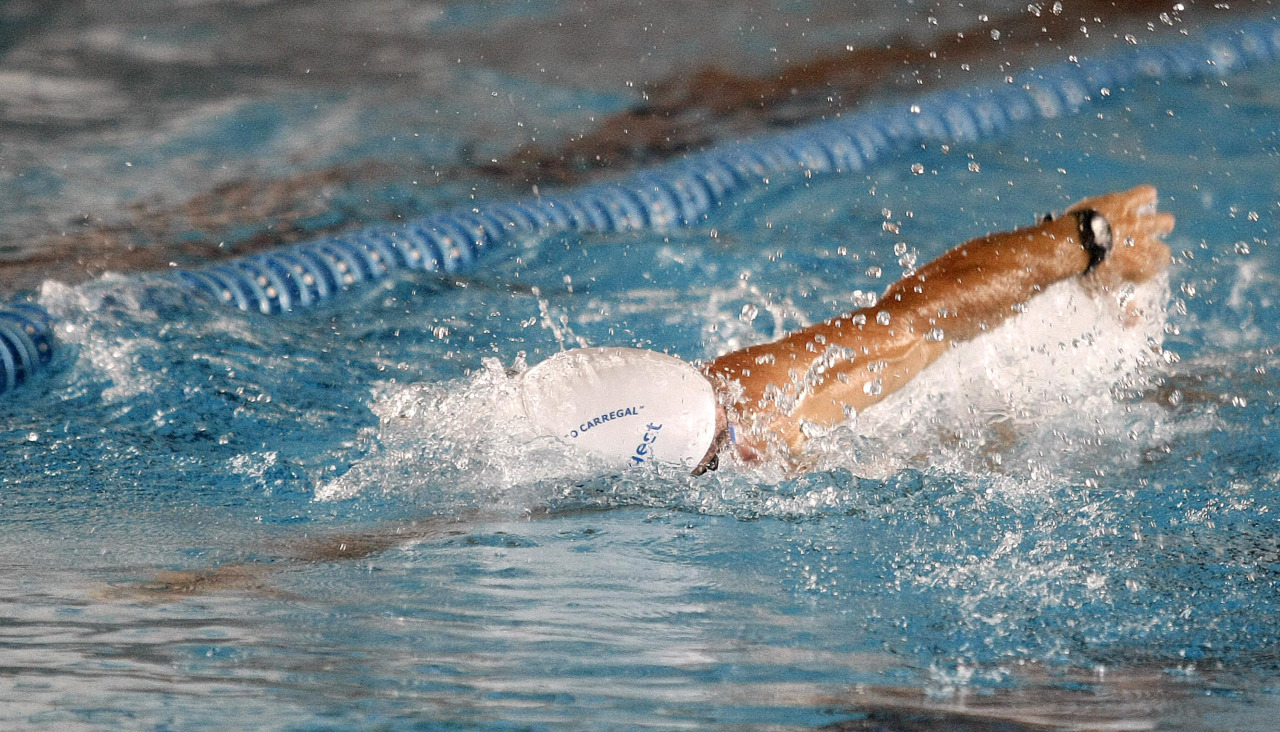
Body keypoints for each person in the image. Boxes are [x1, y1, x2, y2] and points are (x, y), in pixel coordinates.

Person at [518, 185, 1174, 474]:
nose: (749, 439)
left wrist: (1082, 238)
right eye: (724, 448)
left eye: (731, 421)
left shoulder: (751, 395)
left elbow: (920, 316)